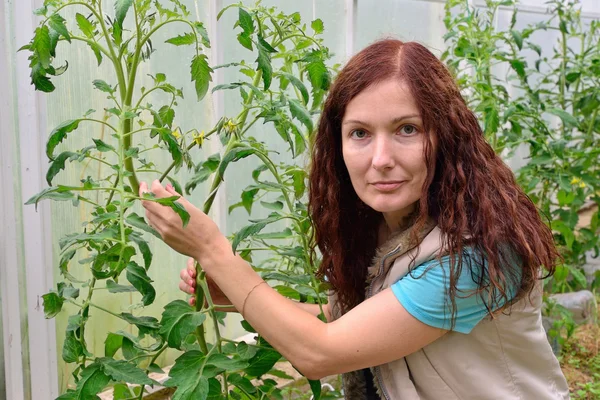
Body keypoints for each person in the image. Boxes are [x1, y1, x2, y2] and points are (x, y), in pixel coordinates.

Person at [140, 39, 570, 399]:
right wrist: (234, 294)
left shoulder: (474, 255)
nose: (381, 160)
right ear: (338, 144)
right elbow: (344, 323)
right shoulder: (394, 228)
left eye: (407, 129)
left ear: (447, 135)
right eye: (360, 133)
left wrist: (213, 251)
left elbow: (321, 351)